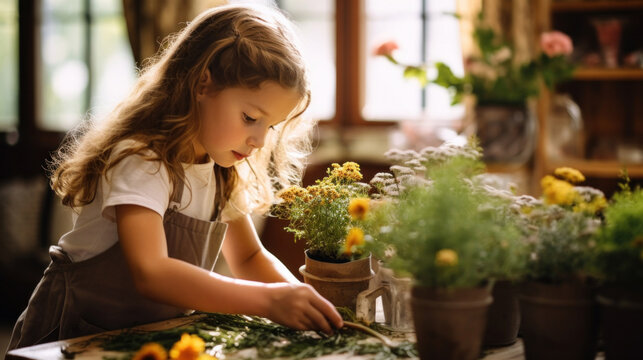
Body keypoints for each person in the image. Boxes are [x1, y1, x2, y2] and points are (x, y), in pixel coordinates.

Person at [7, 4, 343, 352]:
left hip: (140, 340)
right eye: (249, 117)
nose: (259, 140)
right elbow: (151, 272)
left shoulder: (220, 171)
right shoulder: (143, 158)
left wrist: (304, 305)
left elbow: (247, 258)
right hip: (69, 336)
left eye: (269, 126)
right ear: (202, 83)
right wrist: (269, 302)